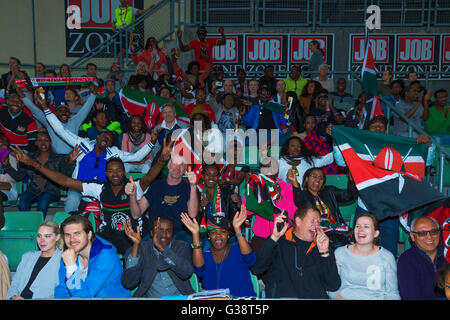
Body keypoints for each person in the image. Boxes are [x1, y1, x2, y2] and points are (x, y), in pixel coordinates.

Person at [12, 145, 166, 255]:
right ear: (105, 173)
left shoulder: (134, 186)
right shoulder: (98, 188)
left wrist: (161, 160)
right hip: (108, 235)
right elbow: (65, 181)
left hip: (133, 234)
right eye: (111, 171)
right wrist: (33, 163)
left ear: (124, 171)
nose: (115, 174)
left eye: (119, 170)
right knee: (88, 252)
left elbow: (150, 176)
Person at [34, 93, 155, 213]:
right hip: (78, 188)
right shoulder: (83, 144)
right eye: (103, 135)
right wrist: (45, 108)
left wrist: (152, 142)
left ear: (111, 143)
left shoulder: (113, 153)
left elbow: (137, 156)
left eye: (109, 138)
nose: (106, 138)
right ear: (97, 136)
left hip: (99, 191)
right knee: (71, 200)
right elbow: (61, 131)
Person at [251, 205, 341, 298]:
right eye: (313, 220)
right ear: (298, 221)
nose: (317, 225)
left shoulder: (322, 246)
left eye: (319, 222)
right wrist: (273, 238)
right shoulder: (279, 243)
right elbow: (256, 269)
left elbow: (333, 286)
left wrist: (324, 253)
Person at [181, 206, 257, 297]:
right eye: (213, 232)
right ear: (209, 236)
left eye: (223, 232)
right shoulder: (205, 255)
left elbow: (249, 259)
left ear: (228, 234)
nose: (218, 236)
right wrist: (195, 234)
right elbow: (199, 269)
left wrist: (237, 229)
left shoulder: (238, 248)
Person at [128, 151, 199, 243]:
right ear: (169, 165)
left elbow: (192, 214)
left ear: (185, 169)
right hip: (156, 233)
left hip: (180, 235)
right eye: (174, 163)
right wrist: (132, 195)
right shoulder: (156, 186)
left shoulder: (189, 188)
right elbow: (136, 214)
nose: (177, 168)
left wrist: (193, 186)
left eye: (181, 165)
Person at [54, 215, 130, 298]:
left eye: (77, 233)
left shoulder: (106, 257)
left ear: (89, 235)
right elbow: (62, 289)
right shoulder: (68, 255)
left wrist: (71, 267)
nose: (72, 239)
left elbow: (84, 296)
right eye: (68, 235)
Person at [4, 132, 77, 218]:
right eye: (39, 140)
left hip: (52, 192)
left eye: (46, 140)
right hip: (33, 191)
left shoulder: (58, 158)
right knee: (23, 200)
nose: (43, 143)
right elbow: (18, 176)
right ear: (35, 143)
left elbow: (66, 176)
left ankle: (39, 227)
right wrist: (7, 165)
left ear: (50, 142)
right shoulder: (29, 158)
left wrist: (71, 162)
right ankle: (26, 225)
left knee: (43, 201)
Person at [328, 213, 400, 300]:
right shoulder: (340, 253)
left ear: (375, 233)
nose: (360, 230)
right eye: (358, 226)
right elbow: (331, 287)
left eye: (366, 226)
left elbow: (392, 293)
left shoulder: (387, 257)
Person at [121, 215, 195, 297]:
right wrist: (136, 245)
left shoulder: (181, 246)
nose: (164, 234)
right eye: (159, 230)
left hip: (179, 297)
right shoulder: (143, 249)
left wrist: (162, 248)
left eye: (168, 231)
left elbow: (186, 273)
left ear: (173, 233)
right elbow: (128, 283)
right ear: (152, 233)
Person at [17, 85, 97, 154]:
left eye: (66, 111)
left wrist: (93, 94)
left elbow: (87, 107)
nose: (64, 113)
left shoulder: (75, 121)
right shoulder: (50, 122)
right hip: (55, 158)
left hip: (72, 157)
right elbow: (33, 109)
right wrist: (21, 95)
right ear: (55, 113)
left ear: (69, 113)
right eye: (60, 111)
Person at [288, 167, 356, 242]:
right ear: (306, 179)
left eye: (321, 178)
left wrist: (351, 178)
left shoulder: (329, 191)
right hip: (316, 234)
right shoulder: (303, 195)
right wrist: (294, 182)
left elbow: (349, 196)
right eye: (314, 176)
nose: (317, 180)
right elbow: (299, 199)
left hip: (337, 232)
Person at [6, 221, 63, 299]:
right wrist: (13, 297)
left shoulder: (63, 258)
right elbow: (15, 283)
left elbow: (65, 290)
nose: (42, 240)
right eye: (39, 236)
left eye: (47, 236)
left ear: (57, 237)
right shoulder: (27, 256)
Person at [397, 216, 447, 300]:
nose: (429, 237)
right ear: (412, 236)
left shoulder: (446, 255)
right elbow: (411, 296)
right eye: (422, 233)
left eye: (433, 232)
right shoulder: (407, 260)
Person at [0, 133, 18, 202]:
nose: (4, 144)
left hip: (9, 191)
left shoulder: (12, 157)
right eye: (1, 141)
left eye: (6, 141)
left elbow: (12, 178)